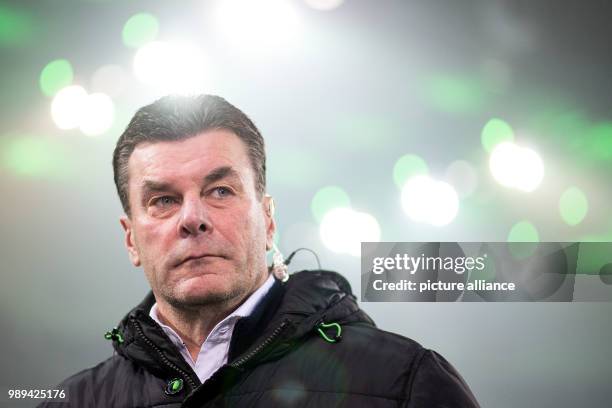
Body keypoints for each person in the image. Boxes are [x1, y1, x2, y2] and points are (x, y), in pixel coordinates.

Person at [40, 95, 480, 407]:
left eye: (220, 190)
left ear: (268, 220)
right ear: (131, 238)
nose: (192, 218)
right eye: (163, 200)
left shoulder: (404, 384)